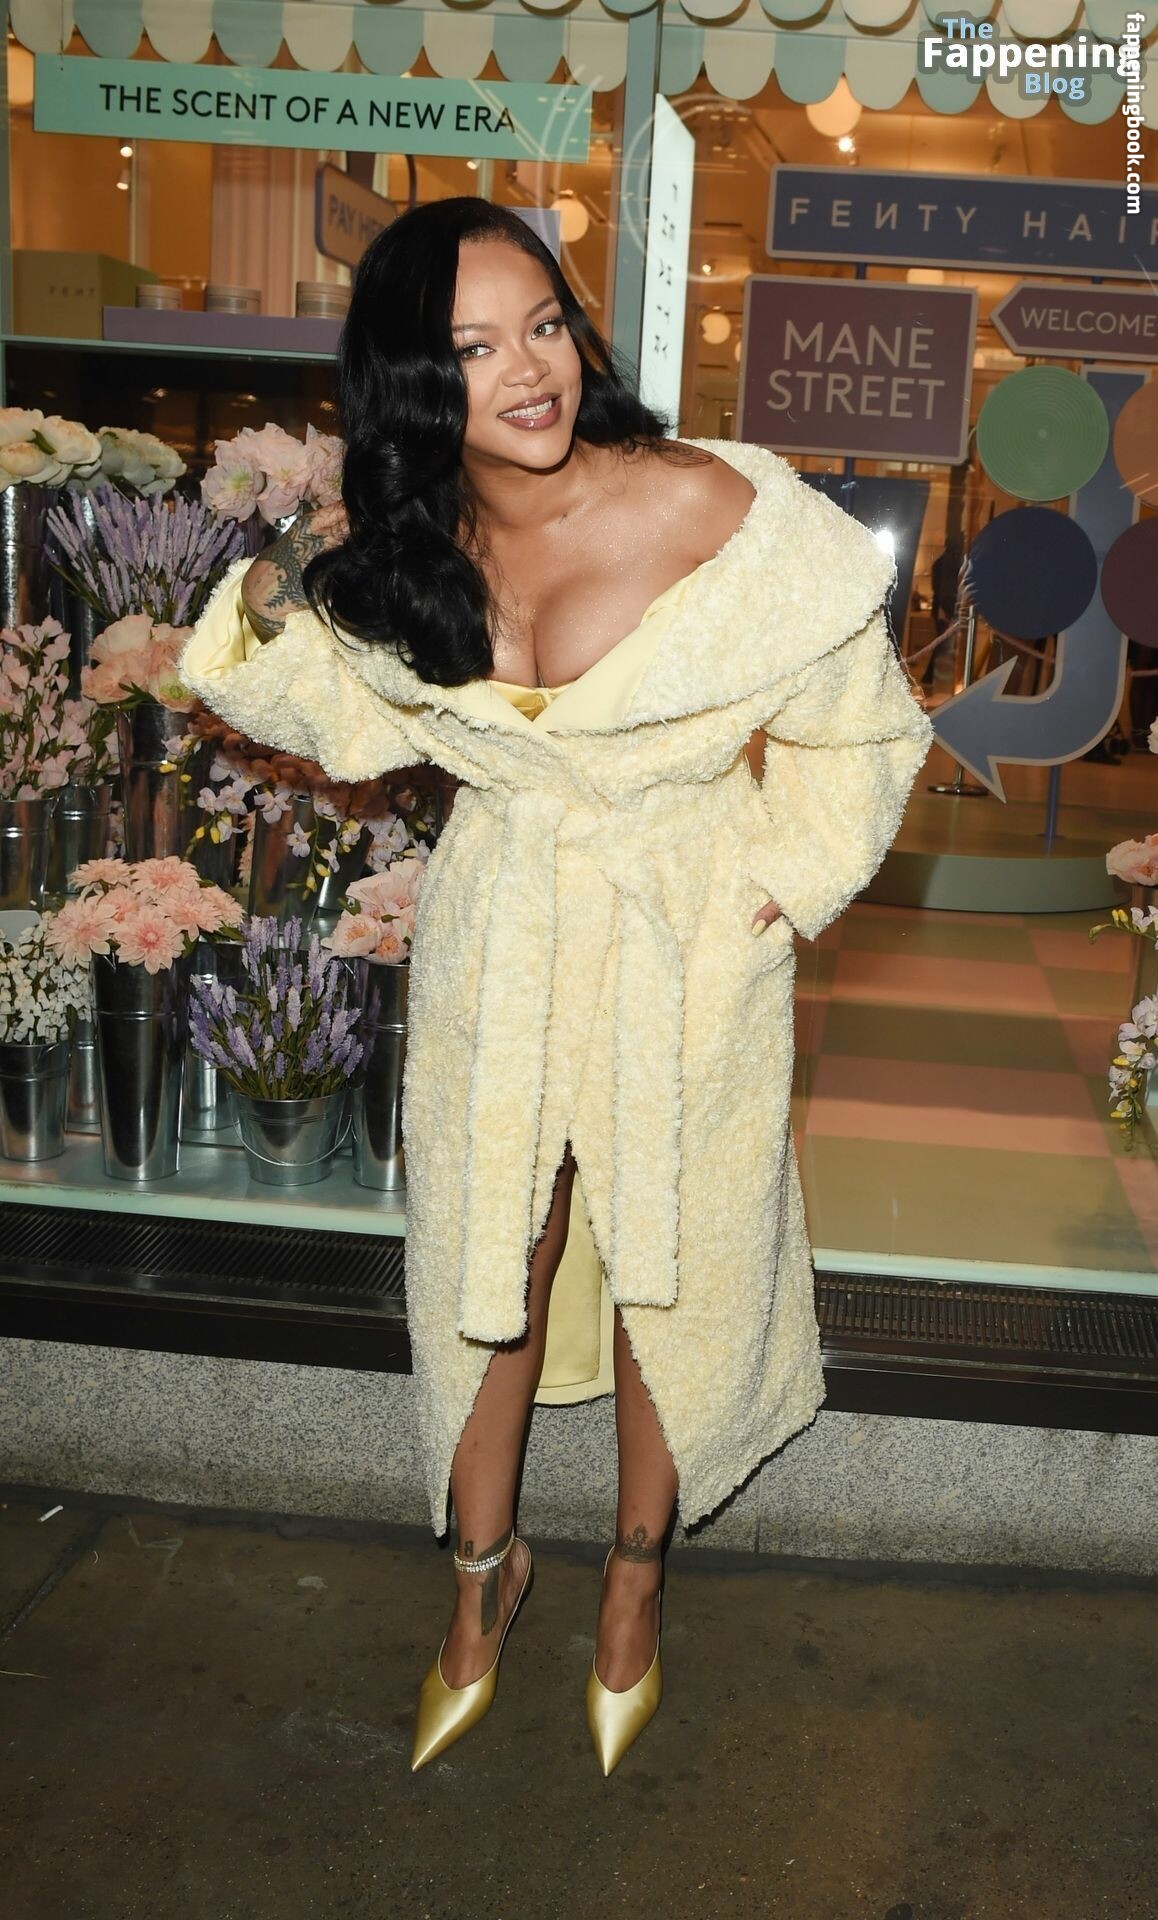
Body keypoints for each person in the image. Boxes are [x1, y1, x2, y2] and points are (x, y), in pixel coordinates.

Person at [182, 198, 934, 1778]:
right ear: (410, 383)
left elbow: (860, 730)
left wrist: (776, 889)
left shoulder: (718, 505)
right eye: (469, 348)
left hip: (683, 928)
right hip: (503, 927)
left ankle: (635, 1580)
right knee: (490, 1252)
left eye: (540, 325)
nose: (525, 372)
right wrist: (267, 595)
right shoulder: (410, 554)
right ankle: (480, 1575)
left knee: (673, 1252)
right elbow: (340, 713)